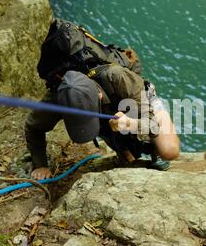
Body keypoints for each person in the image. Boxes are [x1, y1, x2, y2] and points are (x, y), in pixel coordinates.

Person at [25, 60, 180, 181]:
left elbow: (152, 125)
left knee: (169, 151)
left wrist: (130, 124)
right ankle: (124, 148)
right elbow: (33, 127)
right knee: (129, 160)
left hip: (143, 107)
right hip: (109, 118)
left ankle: (150, 149)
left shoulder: (119, 78)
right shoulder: (59, 97)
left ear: (98, 96)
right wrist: (40, 164)